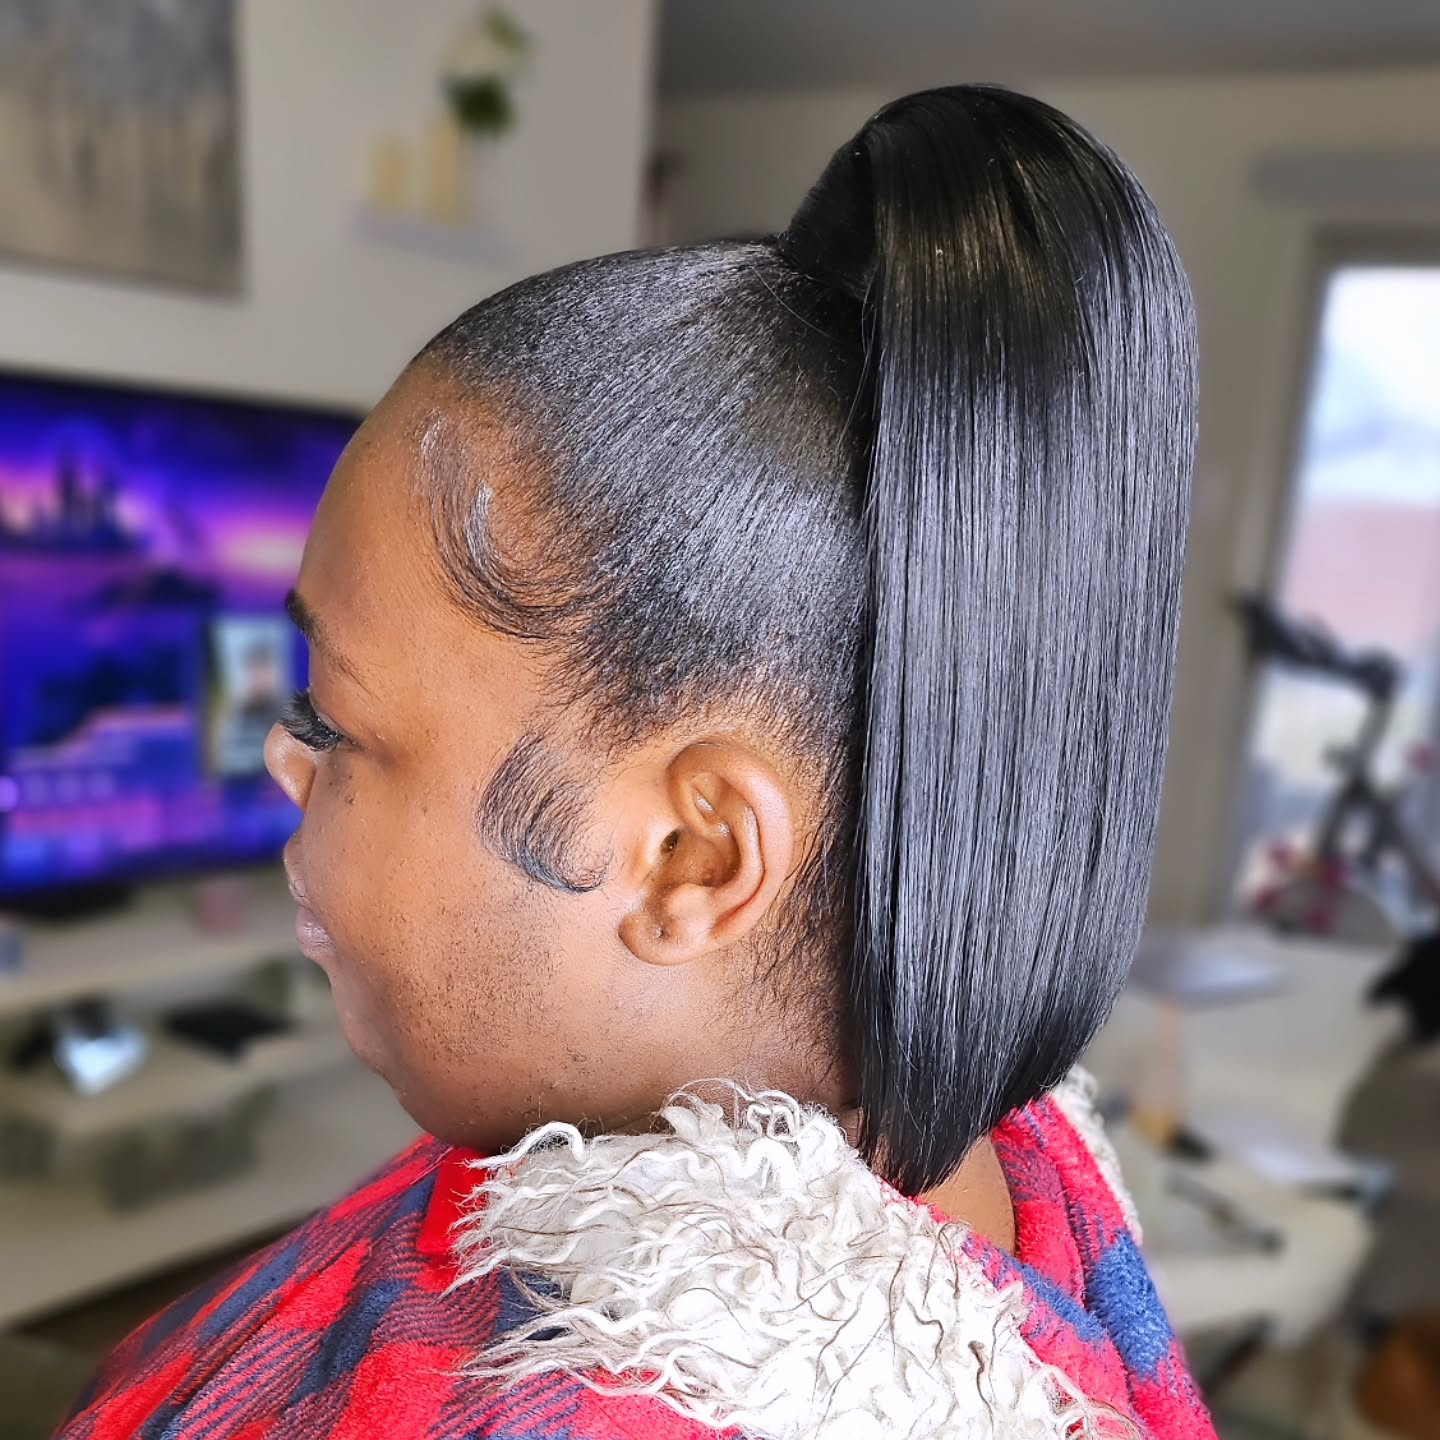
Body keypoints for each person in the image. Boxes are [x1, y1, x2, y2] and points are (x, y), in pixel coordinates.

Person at [57, 85, 1211, 1439]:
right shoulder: (999, 1146)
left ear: (691, 858)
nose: (283, 764)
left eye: (341, 729)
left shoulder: (582, 1410)